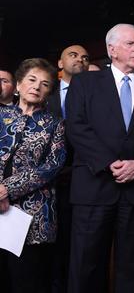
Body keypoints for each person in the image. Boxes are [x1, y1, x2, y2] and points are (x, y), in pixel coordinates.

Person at [65, 23, 134, 293]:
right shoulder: (85, 83)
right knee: (85, 266)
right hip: (93, 187)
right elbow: (76, 127)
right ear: (112, 50)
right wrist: (109, 163)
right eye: (131, 44)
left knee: (132, 269)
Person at [0, 58, 66, 293]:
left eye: (45, 84)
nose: (37, 86)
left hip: (32, 216)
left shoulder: (54, 124)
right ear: (18, 85)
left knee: (26, 281)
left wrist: (7, 189)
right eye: (32, 80)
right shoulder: (1, 115)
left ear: (49, 93)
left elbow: (52, 166)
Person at [46, 44, 90, 293]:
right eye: (73, 55)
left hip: (82, 174)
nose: (81, 60)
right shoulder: (47, 93)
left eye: (85, 58)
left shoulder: (96, 95)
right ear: (60, 63)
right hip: (48, 180)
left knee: (77, 241)